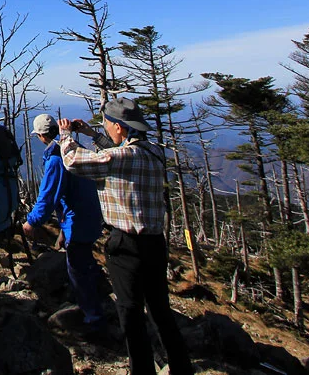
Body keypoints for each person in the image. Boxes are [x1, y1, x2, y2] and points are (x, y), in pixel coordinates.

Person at [60, 98, 194, 375]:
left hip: (126, 245)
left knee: (130, 314)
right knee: (160, 310)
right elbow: (119, 153)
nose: (106, 129)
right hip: (155, 243)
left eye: (108, 125)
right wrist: (92, 134)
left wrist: (65, 137)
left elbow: (74, 162)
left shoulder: (123, 158)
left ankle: (141, 370)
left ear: (120, 128)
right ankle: (181, 367)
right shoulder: (154, 152)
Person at [22, 113, 107, 337]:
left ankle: (93, 319)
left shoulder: (56, 159)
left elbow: (47, 197)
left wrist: (31, 222)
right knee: (84, 263)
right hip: (89, 216)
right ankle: (94, 304)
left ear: (41, 135)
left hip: (77, 221)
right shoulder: (74, 149)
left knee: (78, 268)